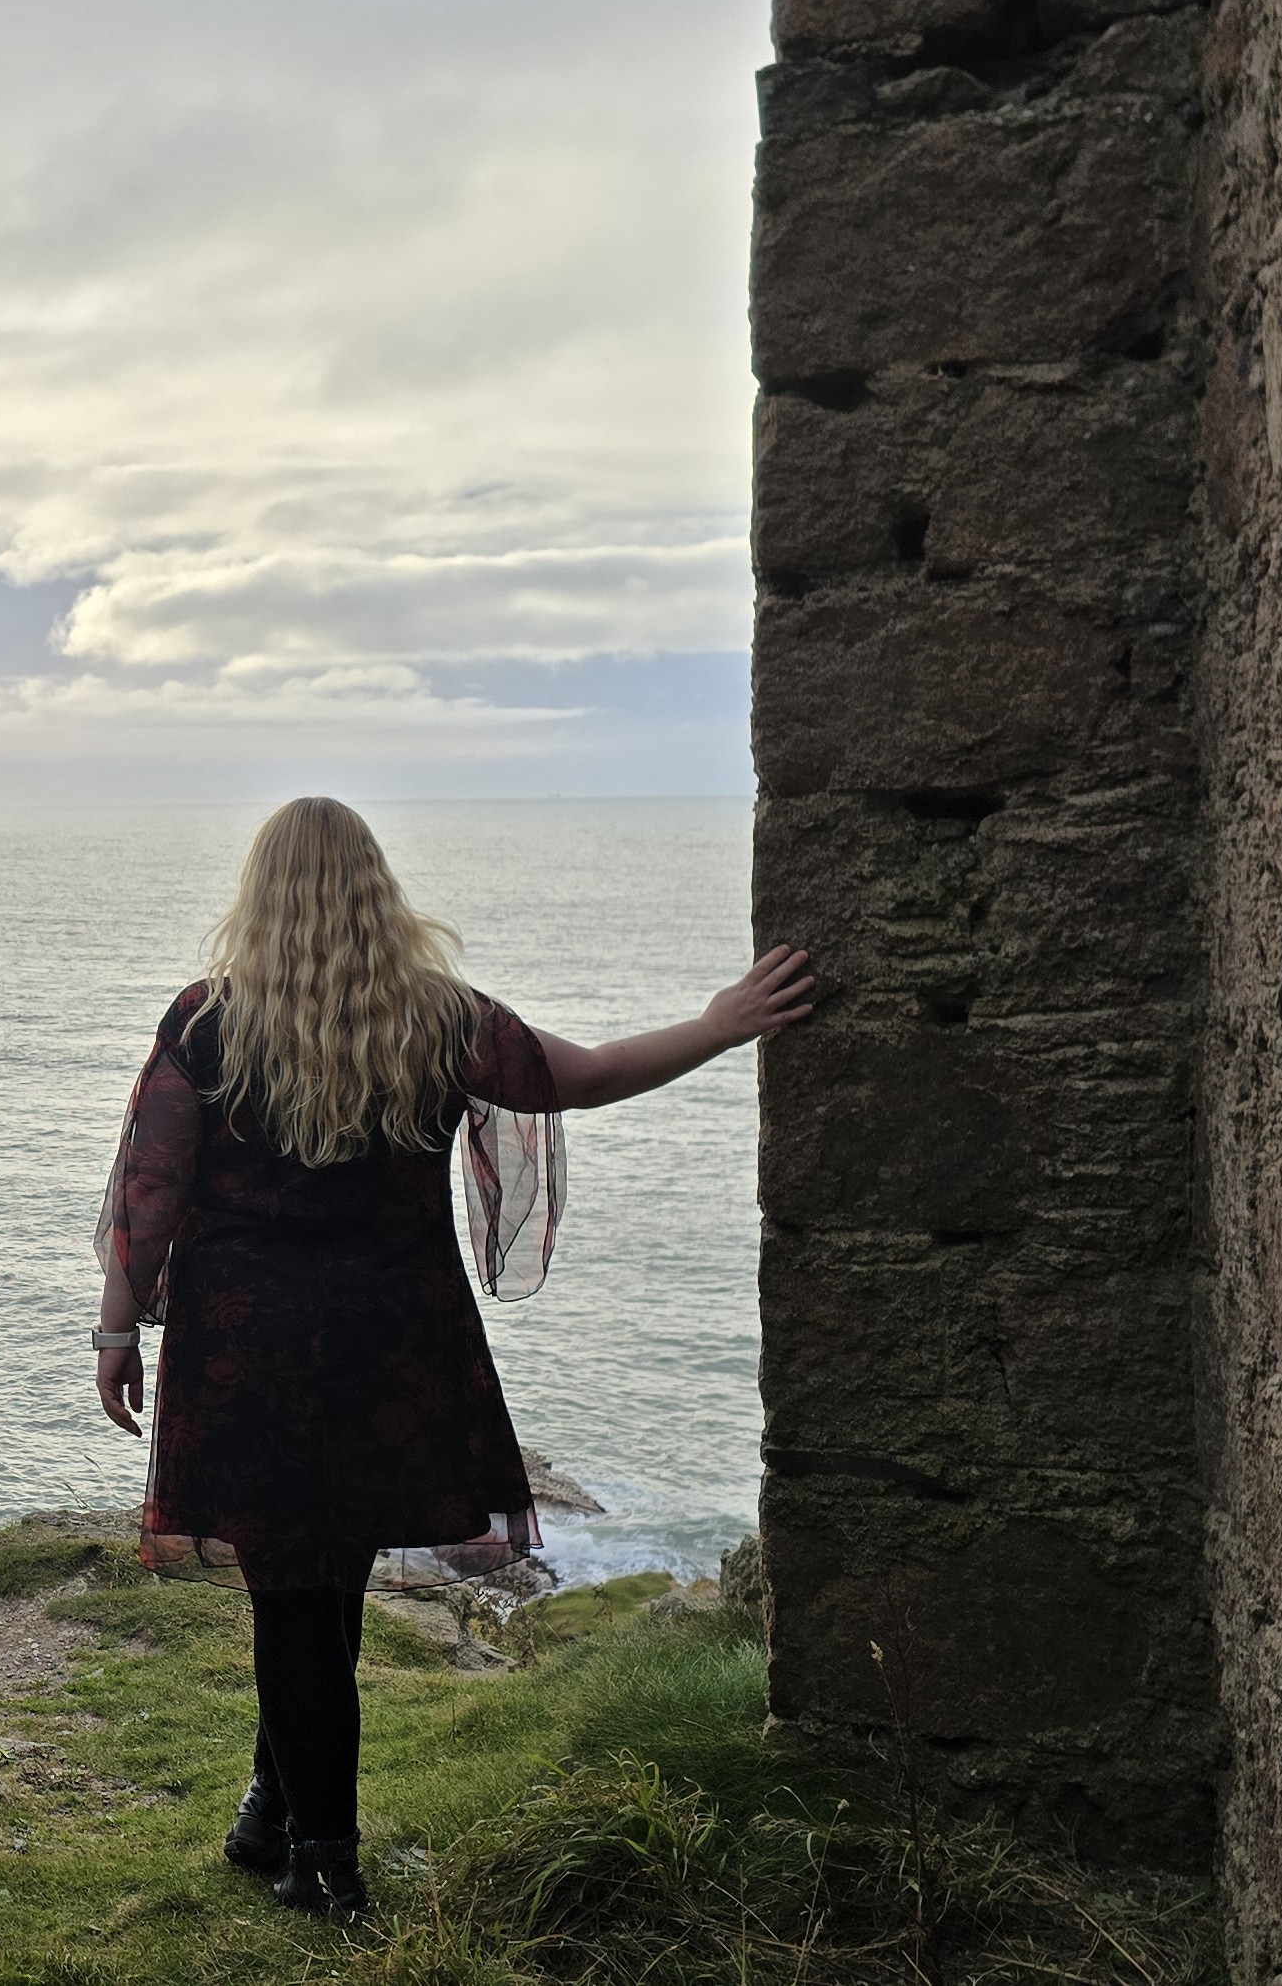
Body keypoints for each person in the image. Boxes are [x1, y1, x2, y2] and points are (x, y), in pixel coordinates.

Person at [87, 797, 814, 1922]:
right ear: (376, 889)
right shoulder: (429, 1017)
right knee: (324, 1574)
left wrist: (117, 1325)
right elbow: (587, 1072)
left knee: (292, 1589)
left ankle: (322, 1857)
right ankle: (271, 1809)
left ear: (259, 892)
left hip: (251, 1346)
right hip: (395, 1340)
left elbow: (149, 1189)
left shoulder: (207, 1021)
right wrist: (716, 1023)